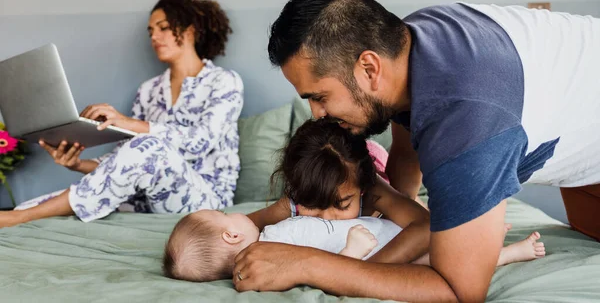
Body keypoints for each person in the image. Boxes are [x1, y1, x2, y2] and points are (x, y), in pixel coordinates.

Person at [233, 0, 600, 302]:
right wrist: (397, 209)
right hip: (580, 137)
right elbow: (409, 149)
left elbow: (460, 291)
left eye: (320, 96)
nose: (316, 114)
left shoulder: (467, 120)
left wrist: (311, 264)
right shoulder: (410, 47)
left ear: (369, 68)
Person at [163, 120, 544, 282]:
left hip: (387, 205)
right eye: (315, 206)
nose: (329, 216)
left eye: (340, 204)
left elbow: (424, 227)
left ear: (361, 190)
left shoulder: (373, 190)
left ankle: (484, 228)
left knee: (438, 230)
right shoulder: (292, 205)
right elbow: (247, 227)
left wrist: (364, 270)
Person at [0, 0, 244, 228]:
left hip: (207, 201)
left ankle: (23, 217)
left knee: (150, 146)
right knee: (28, 205)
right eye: (151, 31)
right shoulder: (148, 90)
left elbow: (201, 142)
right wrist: (78, 165)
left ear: (191, 30)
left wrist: (130, 123)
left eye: (163, 27)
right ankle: (23, 213)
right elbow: (126, 162)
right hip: (145, 199)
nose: (155, 37)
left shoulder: (224, 82)